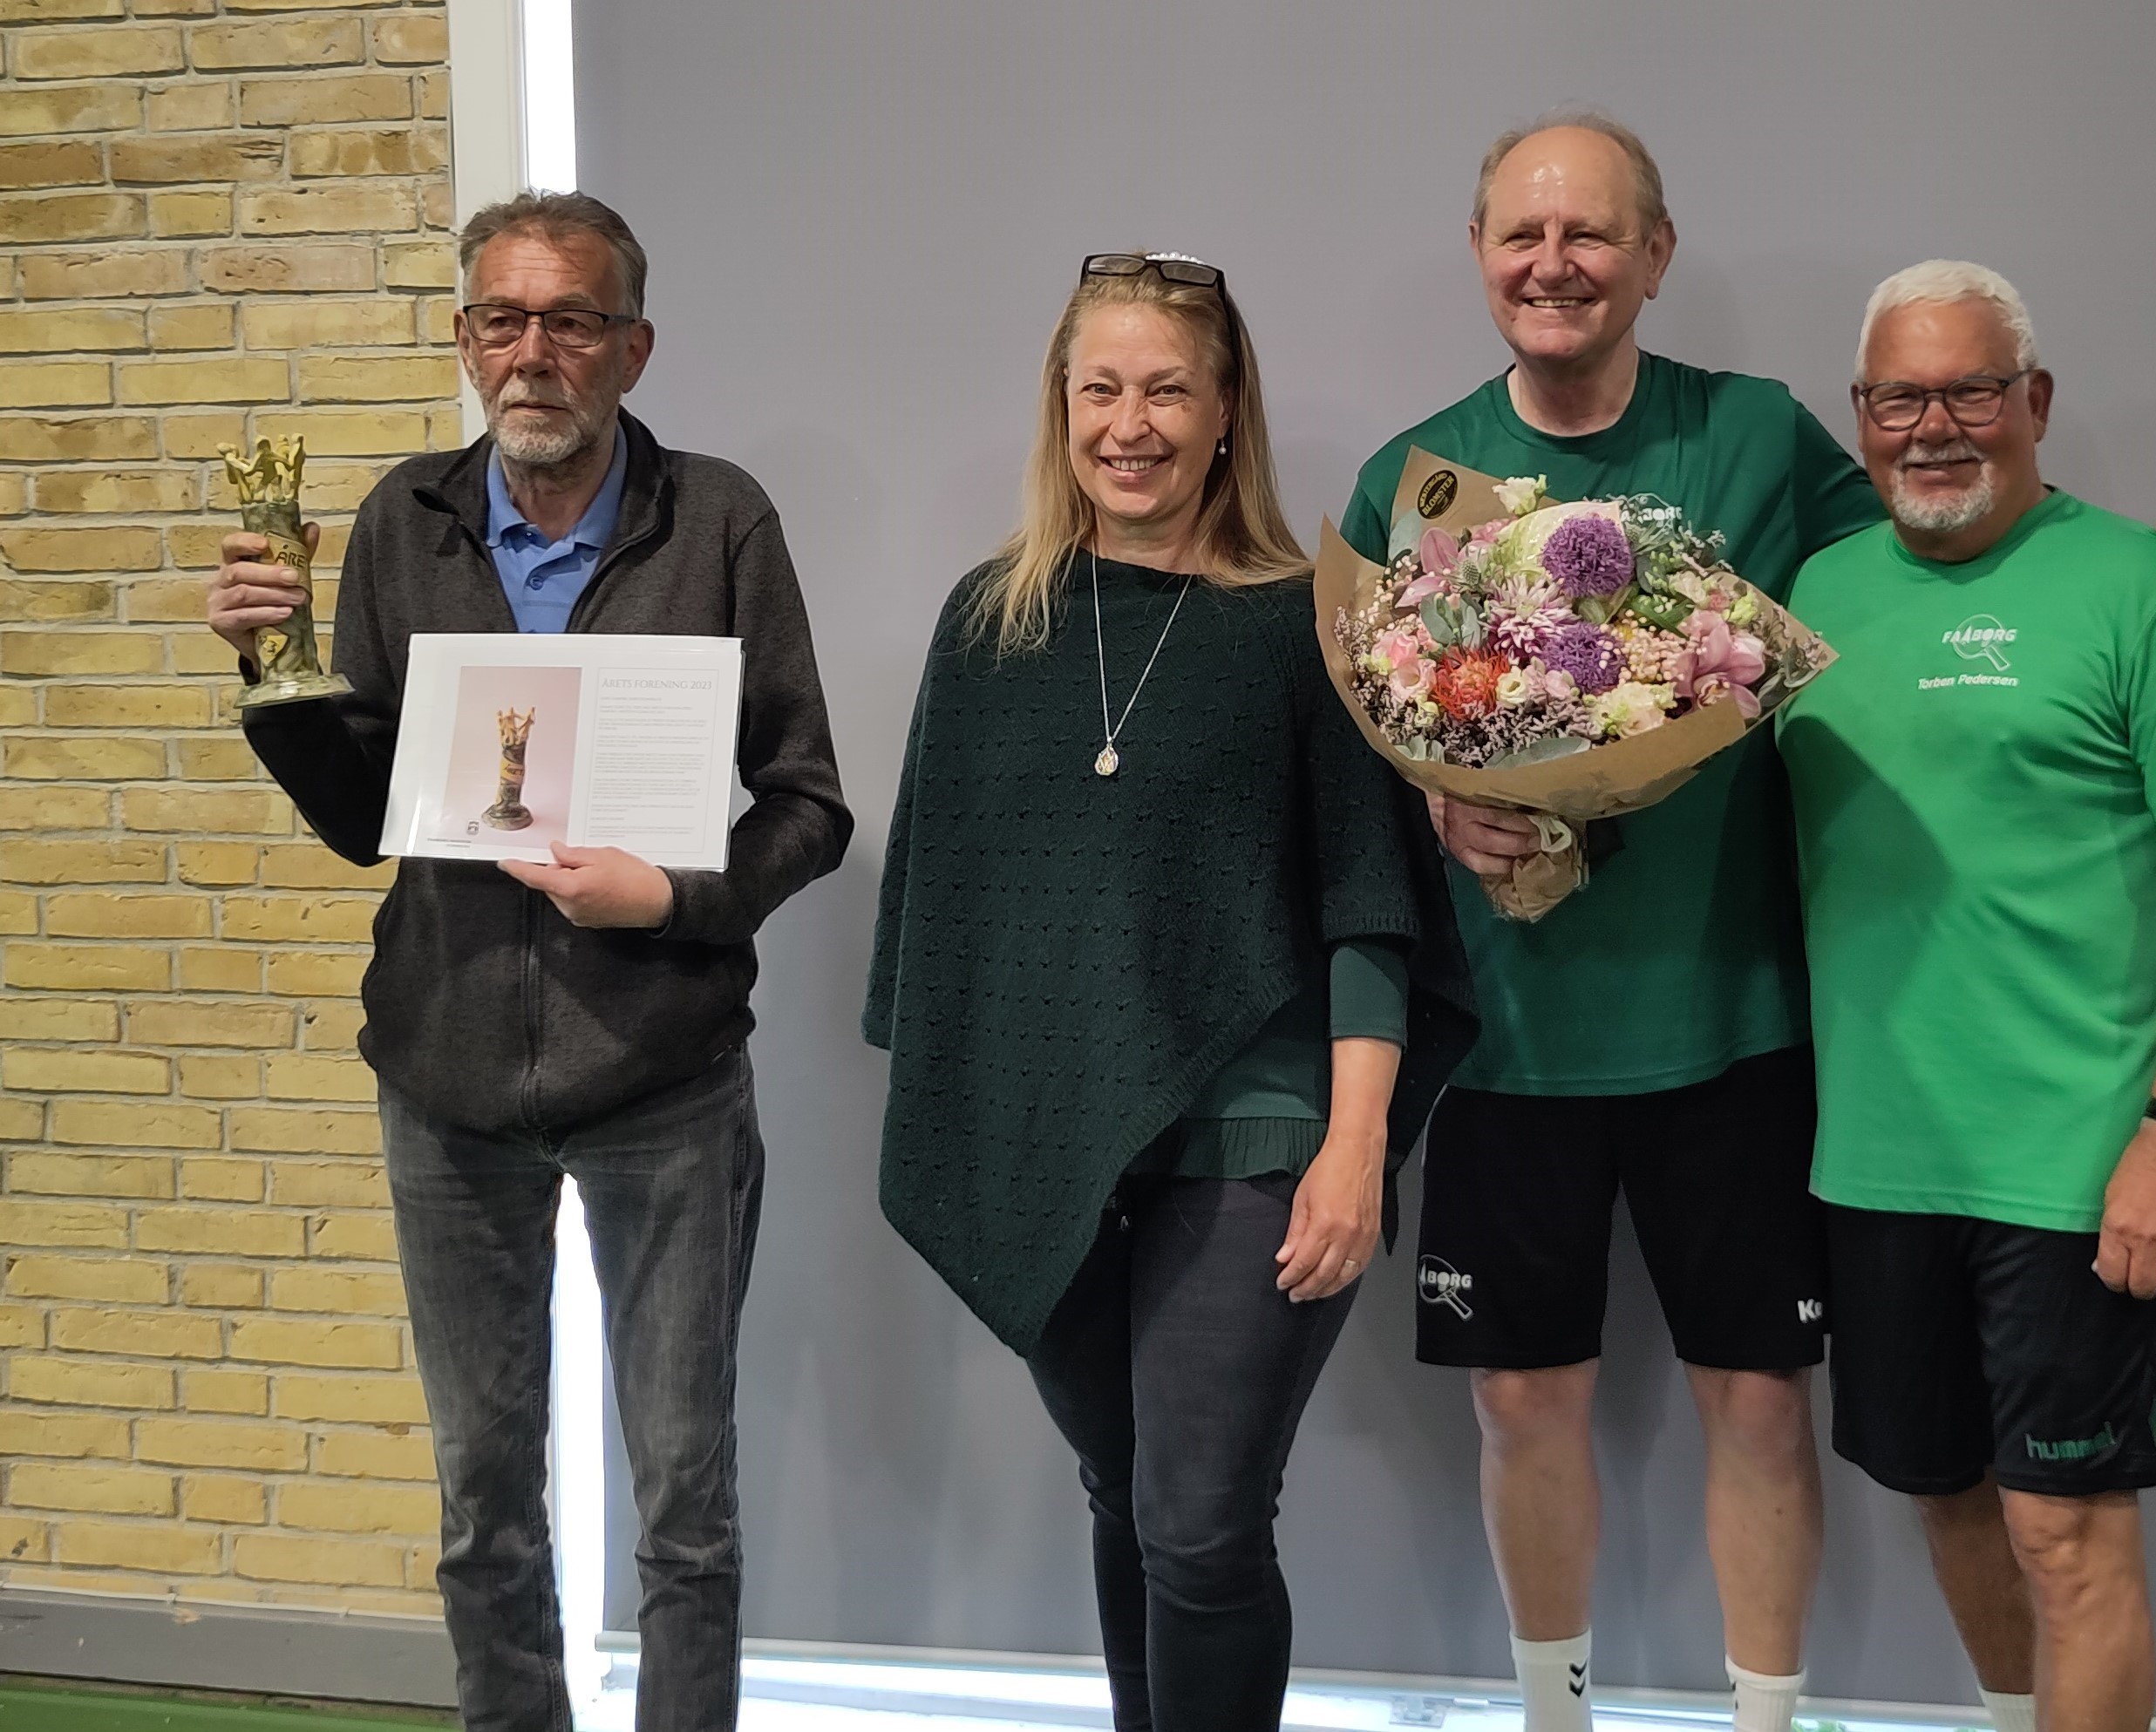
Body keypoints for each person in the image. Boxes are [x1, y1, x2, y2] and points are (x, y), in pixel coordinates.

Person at [1337, 112, 2156, 1732]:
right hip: (1512, 1031)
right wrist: (1436, 800)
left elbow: (1953, 529)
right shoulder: (1410, 476)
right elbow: (1362, 734)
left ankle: (1765, 1723)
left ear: (1656, 253)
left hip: (1746, 1029)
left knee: (1764, 1404)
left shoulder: (1761, 437)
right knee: (1524, 1399)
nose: (1554, 264)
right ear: (1478, 252)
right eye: (1522, 235)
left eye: (1591, 232)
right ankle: (1554, 1716)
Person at [204, 191, 851, 1732]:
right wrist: (273, 677)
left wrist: (672, 898)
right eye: (502, 319)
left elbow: (808, 806)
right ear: (463, 340)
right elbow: (367, 820)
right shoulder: (402, 522)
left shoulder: (719, 520)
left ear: (634, 346)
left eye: (570, 320)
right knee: (482, 1504)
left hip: (663, 1082)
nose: (532, 352)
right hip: (444, 1084)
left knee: (684, 1507)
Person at [867, 253, 1473, 1732]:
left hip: (1258, 1132)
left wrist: (1356, 1149)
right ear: (1060, 407)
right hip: (1053, 1138)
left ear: (1223, 410)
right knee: (1125, 1491)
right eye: (1100, 390)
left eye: (1165, 391)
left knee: (1200, 1524)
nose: (1128, 425)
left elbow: (1370, 906)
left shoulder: (1303, 624)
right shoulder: (988, 622)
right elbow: (950, 912)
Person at [1774, 260, 2156, 1732]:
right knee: (1944, 1494)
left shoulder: (2145, 588)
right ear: (1860, 414)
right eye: (1899, 398)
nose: (1933, 426)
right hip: (1877, 1158)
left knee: (2067, 1534)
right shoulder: (1816, 596)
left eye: (1971, 391)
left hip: (2080, 1166)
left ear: (2036, 402)